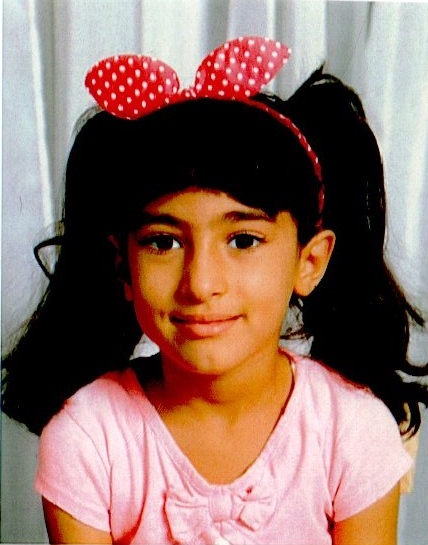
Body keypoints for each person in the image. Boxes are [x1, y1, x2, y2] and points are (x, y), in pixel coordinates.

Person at [2, 36, 428, 545]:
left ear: (309, 261)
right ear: (123, 267)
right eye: (163, 242)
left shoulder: (353, 431)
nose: (201, 284)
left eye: (243, 240)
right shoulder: (88, 437)